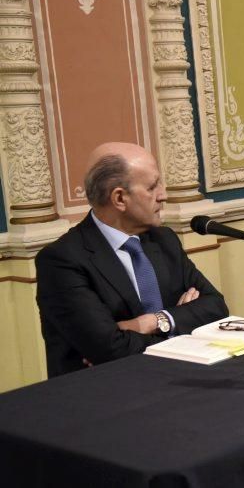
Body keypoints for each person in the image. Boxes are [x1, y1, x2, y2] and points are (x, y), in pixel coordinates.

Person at [36, 142, 228, 377]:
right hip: (103, 396)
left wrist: (154, 321)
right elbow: (110, 349)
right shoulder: (62, 261)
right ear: (119, 198)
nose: (163, 195)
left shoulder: (163, 239)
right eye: (152, 187)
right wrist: (180, 327)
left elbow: (215, 306)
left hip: (176, 380)